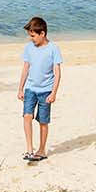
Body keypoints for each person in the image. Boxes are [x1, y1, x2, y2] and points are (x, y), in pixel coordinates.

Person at [16, 16, 62, 162]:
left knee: (43, 121)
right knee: (27, 116)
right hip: (30, 88)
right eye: (30, 36)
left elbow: (57, 73)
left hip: (46, 90)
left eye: (33, 36)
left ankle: (41, 150)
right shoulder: (29, 48)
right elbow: (25, 68)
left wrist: (54, 93)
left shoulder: (53, 49)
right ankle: (29, 149)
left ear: (42, 34)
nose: (31, 39)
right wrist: (20, 88)